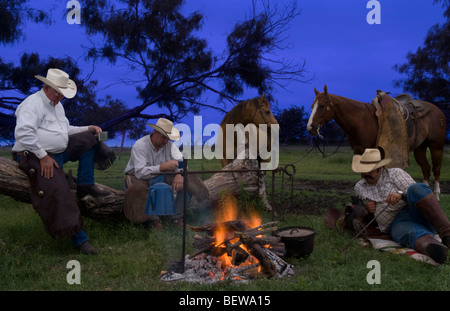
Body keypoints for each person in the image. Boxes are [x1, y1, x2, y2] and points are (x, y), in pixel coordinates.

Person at [12, 68, 109, 254]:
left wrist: (88, 128)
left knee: (91, 138)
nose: (60, 98)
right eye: (58, 93)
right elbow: (23, 133)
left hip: (57, 152)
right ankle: (80, 239)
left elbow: (65, 130)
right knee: (59, 187)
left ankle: (85, 184)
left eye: (62, 94)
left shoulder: (57, 105)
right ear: (47, 87)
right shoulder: (32, 104)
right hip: (32, 154)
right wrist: (43, 156)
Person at [352, 148, 450, 264]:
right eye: (363, 171)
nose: (366, 174)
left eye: (370, 170)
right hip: (396, 223)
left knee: (416, 188)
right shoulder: (359, 187)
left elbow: (416, 193)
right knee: (410, 232)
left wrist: (401, 195)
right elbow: (359, 205)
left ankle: (447, 235)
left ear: (380, 168)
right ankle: (435, 249)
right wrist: (367, 207)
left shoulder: (395, 173)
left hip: (416, 211)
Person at [124, 118, 208, 229]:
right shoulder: (140, 146)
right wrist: (162, 167)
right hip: (138, 179)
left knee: (187, 182)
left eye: (168, 138)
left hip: (160, 176)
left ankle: (177, 217)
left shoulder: (169, 145)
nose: (166, 141)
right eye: (164, 137)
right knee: (149, 186)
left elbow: (183, 163)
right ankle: (153, 219)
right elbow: (140, 173)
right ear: (155, 133)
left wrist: (179, 174)